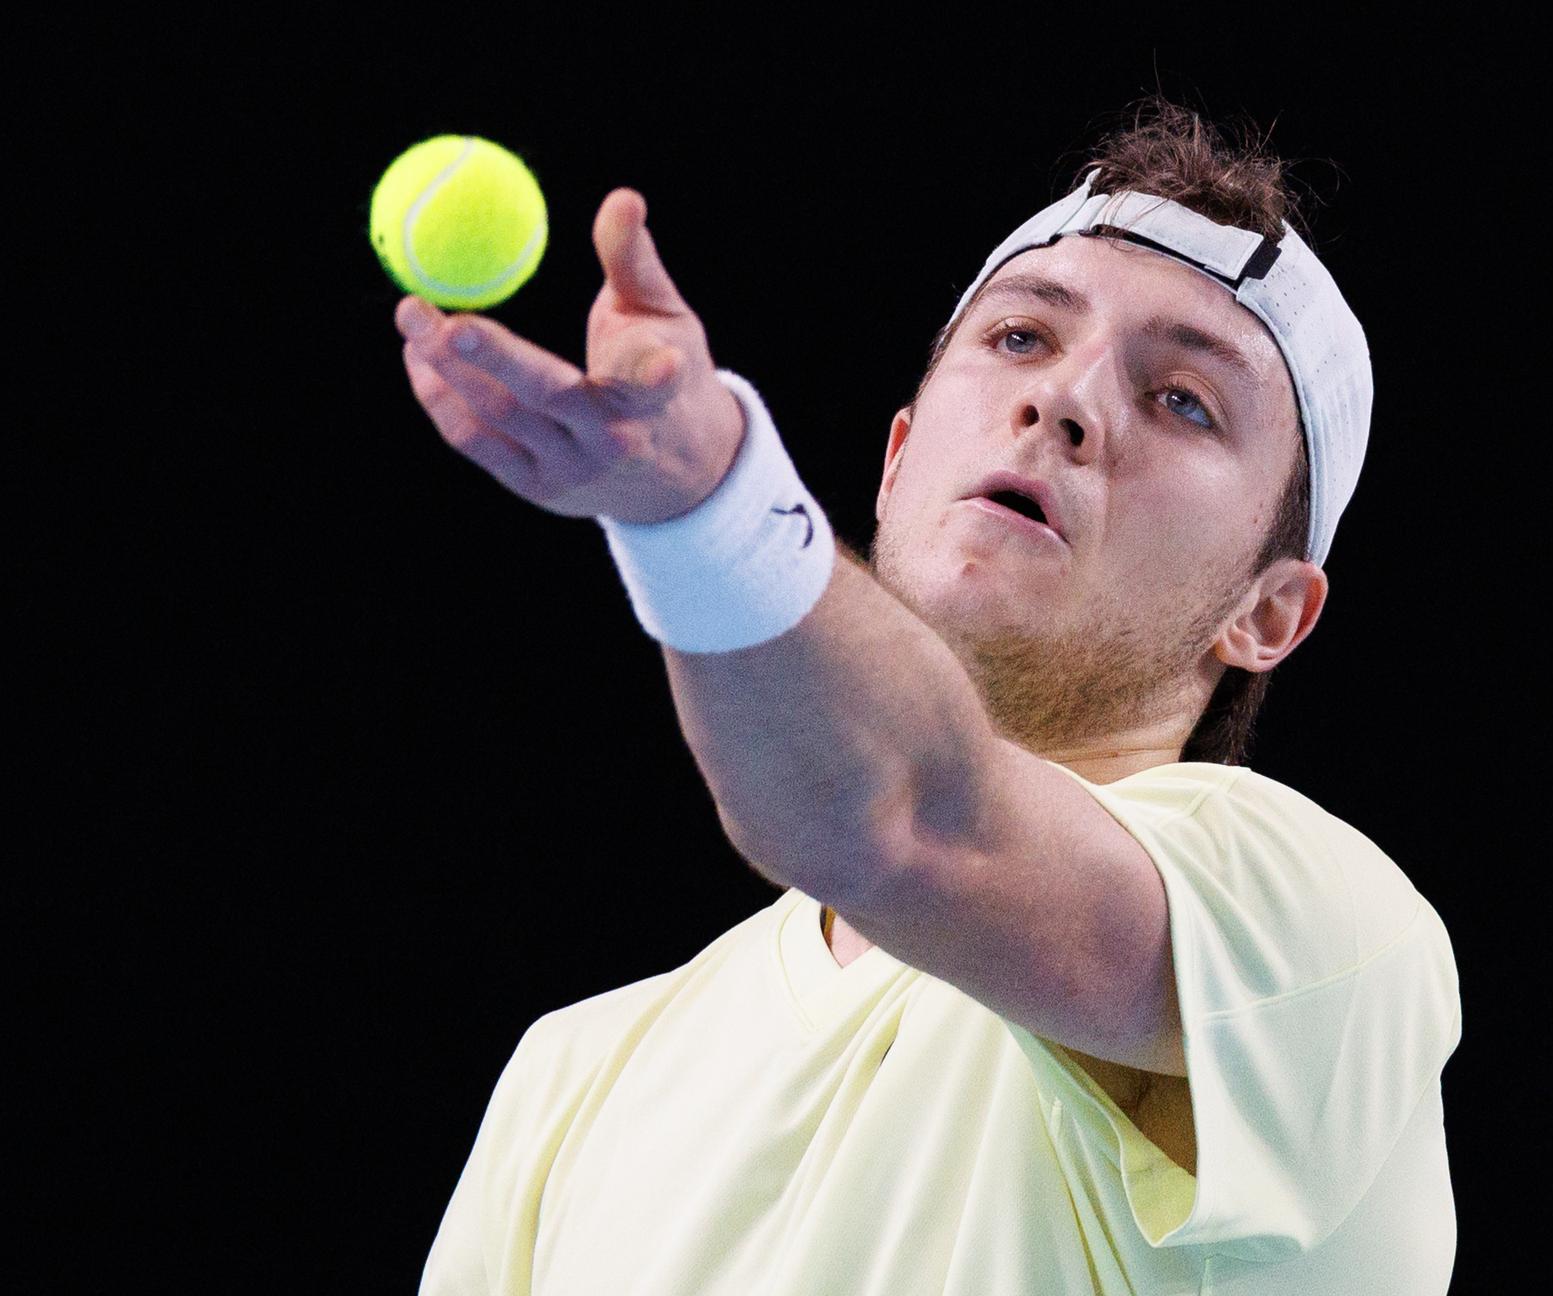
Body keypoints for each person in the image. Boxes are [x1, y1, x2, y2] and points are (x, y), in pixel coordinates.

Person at [398, 95, 1462, 1295]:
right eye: (1020, 338)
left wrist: (711, 509)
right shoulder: (575, 1074)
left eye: (1183, 401)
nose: (1065, 403)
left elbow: (901, 825)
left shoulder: (1323, 945)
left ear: (1268, 614)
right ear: (900, 457)